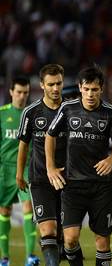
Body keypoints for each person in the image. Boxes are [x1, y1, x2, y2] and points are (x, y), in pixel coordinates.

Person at [45, 66, 112, 266]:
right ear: (80, 88)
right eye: (87, 89)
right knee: (70, 239)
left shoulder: (110, 112)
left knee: (102, 240)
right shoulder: (68, 108)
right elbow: (50, 135)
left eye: (95, 89)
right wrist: (50, 167)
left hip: (101, 186)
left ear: (101, 89)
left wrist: (110, 159)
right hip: (73, 185)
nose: (90, 94)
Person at [16, 64, 65, 266]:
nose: (55, 88)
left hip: (68, 180)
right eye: (51, 84)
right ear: (42, 85)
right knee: (48, 229)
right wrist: (20, 174)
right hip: (39, 179)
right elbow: (23, 146)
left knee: (65, 235)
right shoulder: (31, 112)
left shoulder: (71, 110)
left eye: (59, 84)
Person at [0, 77, 38, 266]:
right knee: (4, 211)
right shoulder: (2, 114)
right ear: (11, 92)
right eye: (19, 92)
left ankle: (30, 256)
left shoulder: (31, 114)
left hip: (25, 168)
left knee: (28, 209)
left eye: (25, 92)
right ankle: (4, 258)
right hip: (4, 170)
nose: (22, 96)